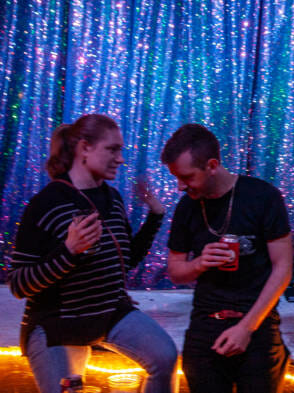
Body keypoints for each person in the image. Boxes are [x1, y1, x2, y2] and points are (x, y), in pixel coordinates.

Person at [8, 114, 178, 393]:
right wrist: (69, 251)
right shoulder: (47, 204)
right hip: (58, 324)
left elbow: (124, 261)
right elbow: (19, 284)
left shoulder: (112, 198)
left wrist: (155, 216)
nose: (120, 159)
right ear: (84, 148)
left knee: (165, 355)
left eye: (121, 150)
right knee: (69, 388)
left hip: (108, 312)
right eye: (112, 149)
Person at [163, 124, 293, 393]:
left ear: (212, 165)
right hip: (205, 327)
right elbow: (175, 271)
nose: (179, 186)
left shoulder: (263, 197)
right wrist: (198, 264)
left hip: (258, 325)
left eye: (186, 177)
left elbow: (283, 269)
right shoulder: (187, 206)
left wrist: (246, 328)